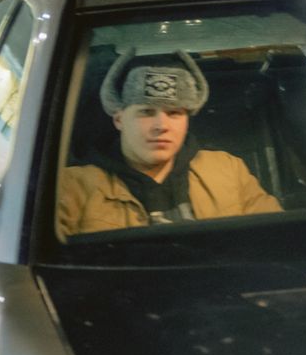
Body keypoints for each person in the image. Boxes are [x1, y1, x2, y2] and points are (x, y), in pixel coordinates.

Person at [57, 48, 281, 236]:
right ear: (119, 119)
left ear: (187, 120)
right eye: (146, 112)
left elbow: (277, 241)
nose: (161, 125)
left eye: (174, 113)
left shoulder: (228, 171)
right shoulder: (72, 188)